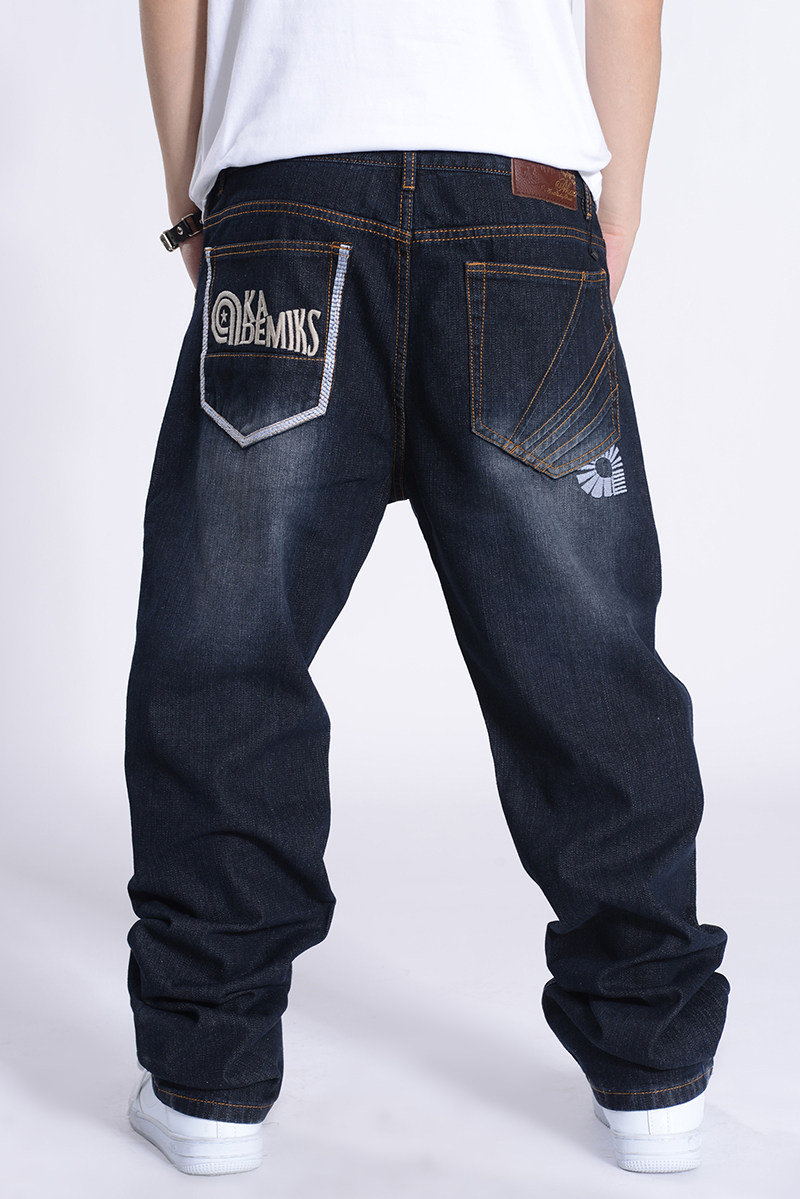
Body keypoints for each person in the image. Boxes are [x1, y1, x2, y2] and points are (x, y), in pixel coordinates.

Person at [125, 0, 729, 1177]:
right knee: (587, 665)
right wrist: (610, 210)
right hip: (522, 194)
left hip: (289, 189)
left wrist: (193, 204)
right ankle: (650, 1065)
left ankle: (209, 1074)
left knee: (227, 651)